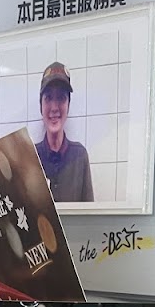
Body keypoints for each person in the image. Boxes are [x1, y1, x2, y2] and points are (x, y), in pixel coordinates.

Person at [34, 62, 94, 203]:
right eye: (48, 98)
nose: (54, 107)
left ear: (68, 105)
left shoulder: (80, 155)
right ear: (41, 106)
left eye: (61, 98)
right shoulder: (30, 157)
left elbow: (89, 212)